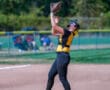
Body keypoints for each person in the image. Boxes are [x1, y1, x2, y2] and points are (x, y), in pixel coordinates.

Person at [46, 12, 80, 90]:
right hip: (60, 56)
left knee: (62, 78)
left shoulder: (68, 33)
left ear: (76, 28)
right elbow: (53, 32)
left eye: (74, 25)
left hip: (63, 56)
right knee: (50, 75)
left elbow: (54, 26)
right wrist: (56, 22)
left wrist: (51, 15)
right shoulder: (66, 33)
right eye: (71, 24)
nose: (71, 26)